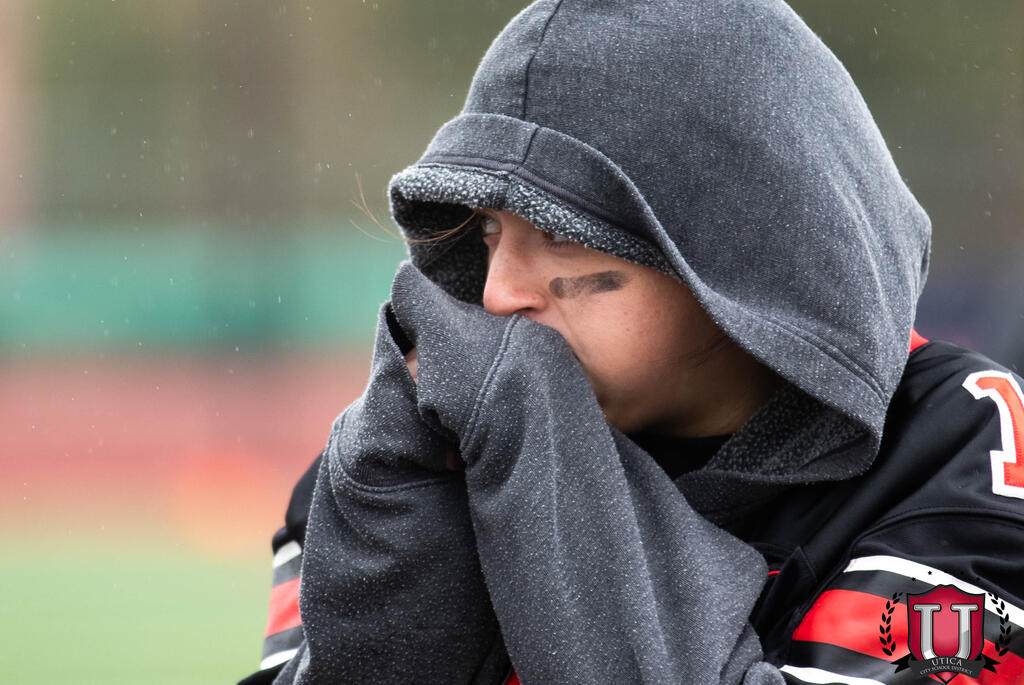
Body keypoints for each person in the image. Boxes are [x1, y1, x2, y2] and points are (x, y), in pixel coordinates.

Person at [240, 1, 1024, 683]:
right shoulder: (397, 458)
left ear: (736, 251)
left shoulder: (961, 453)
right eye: (489, 232)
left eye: (560, 233)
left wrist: (549, 473)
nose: (496, 293)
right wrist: (400, 534)